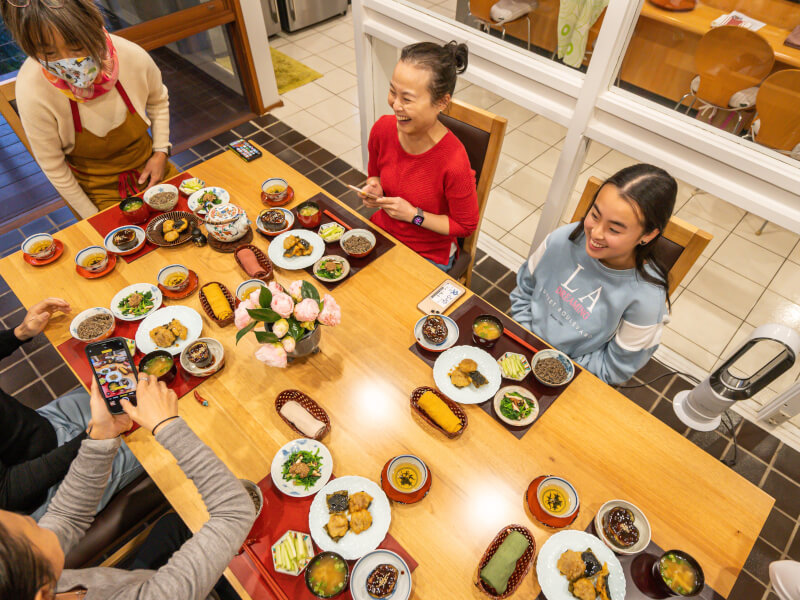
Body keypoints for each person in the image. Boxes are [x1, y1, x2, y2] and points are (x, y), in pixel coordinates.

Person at [0, 373, 256, 600]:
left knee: (171, 525)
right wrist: (167, 426)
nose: (40, 522)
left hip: (137, 578)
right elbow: (234, 511)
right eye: (32, 525)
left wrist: (101, 436)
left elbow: (64, 515)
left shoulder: (33, 576)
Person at [3, 0, 180, 218]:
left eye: (76, 46)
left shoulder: (130, 55)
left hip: (152, 168)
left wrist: (161, 152)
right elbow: (53, 166)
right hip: (98, 193)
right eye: (49, 52)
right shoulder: (32, 87)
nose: (68, 61)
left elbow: (158, 101)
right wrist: (92, 217)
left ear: (93, 29)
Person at [509, 164, 677, 385]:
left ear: (648, 235)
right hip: (521, 342)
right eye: (595, 215)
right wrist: (527, 341)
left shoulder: (647, 299)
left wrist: (552, 366)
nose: (596, 233)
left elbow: (613, 370)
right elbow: (524, 292)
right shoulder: (564, 239)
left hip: (573, 377)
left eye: (614, 229)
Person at [0, 298, 142, 519]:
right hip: (46, 487)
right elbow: (8, 490)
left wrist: (19, 333)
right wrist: (91, 439)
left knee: (135, 386)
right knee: (165, 429)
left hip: (44, 425)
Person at [360, 41, 479, 272]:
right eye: (393, 92)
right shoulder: (382, 129)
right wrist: (374, 187)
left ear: (442, 102)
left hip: (428, 254)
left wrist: (414, 216)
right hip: (383, 233)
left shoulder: (454, 161)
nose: (395, 105)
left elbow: (465, 225)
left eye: (407, 99)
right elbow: (375, 174)